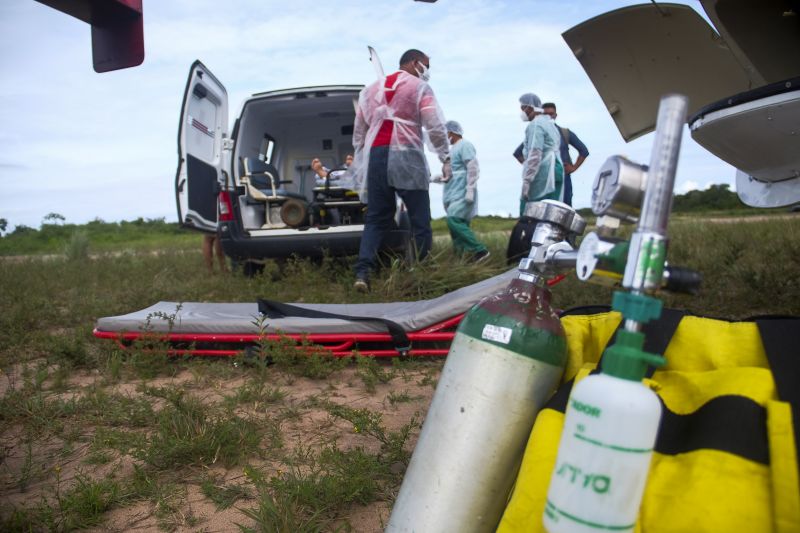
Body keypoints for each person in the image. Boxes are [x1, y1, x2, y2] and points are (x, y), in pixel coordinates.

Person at [350, 49, 450, 292]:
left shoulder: (369, 90)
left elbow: (359, 132)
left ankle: (362, 273)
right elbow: (434, 125)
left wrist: (361, 158)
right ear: (415, 63)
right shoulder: (419, 87)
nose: (427, 70)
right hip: (407, 155)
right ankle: (423, 272)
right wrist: (445, 157)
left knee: (375, 218)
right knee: (419, 219)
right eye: (426, 65)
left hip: (377, 156)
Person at [432, 120, 489, 262]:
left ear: (451, 132)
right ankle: (462, 258)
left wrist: (470, 189)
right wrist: (435, 179)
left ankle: (479, 250)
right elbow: (450, 175)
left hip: (463, 192)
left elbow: (472, 167)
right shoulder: (451, 151)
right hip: (453, 192)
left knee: (453, 221)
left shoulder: (465, 145)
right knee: (458, 228)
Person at [517, 92, 564, 216]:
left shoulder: (535, 125)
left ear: (530, 108)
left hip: (543, 173)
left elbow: (535, 154)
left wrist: (527, 180)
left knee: (529, 215)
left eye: (523, 108)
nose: (522, 112)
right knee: (551, 215)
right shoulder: (549, 124)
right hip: (556, 170)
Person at [542, 102, 589, 206]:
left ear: (555, 115)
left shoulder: (565, 133)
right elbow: (520, 154)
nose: (548, 116)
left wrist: (574, 167)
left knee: (564, 209)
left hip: (563, 179)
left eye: (551, 113)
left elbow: (584, 151)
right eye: (545, 114)